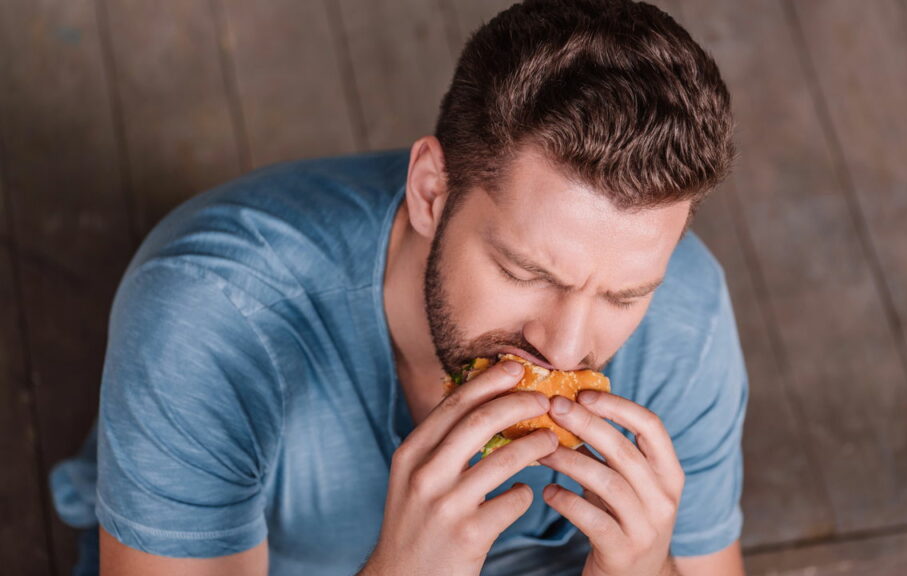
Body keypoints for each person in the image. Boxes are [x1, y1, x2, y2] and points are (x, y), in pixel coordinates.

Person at [48, 0, 747, 574]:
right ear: (431, 191)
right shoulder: (208, 310)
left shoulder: (687, 309)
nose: (565, 347)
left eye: (623, 297)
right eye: (526, 273)